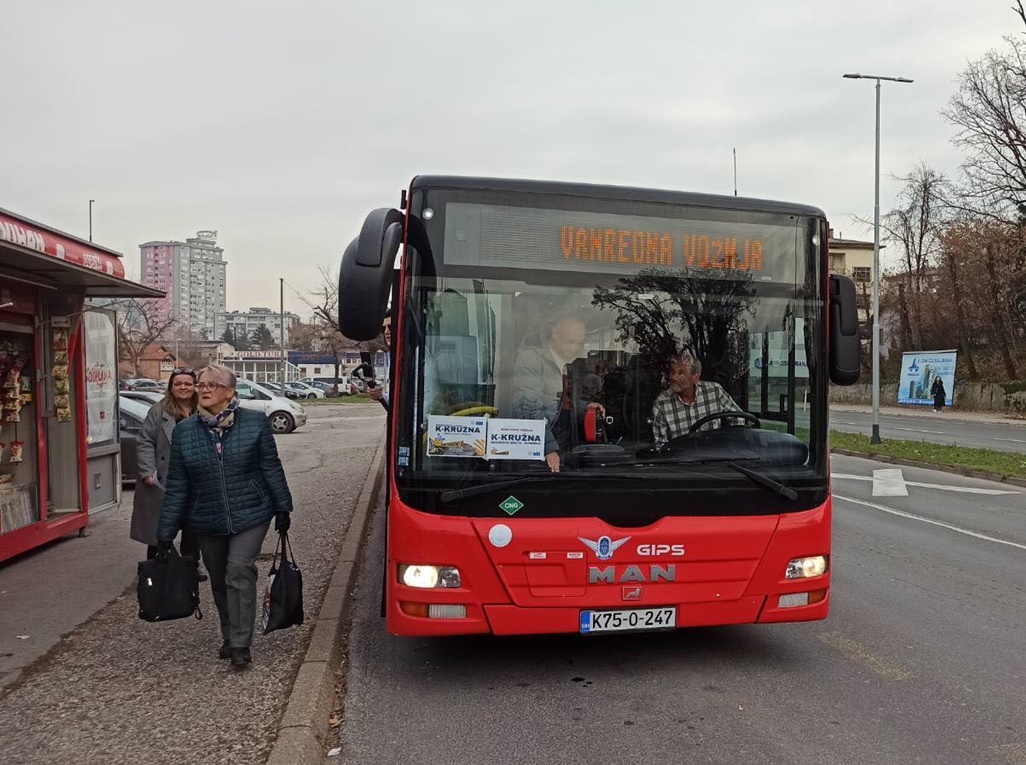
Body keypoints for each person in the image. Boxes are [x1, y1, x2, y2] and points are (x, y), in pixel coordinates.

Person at [156, 364, 293, 669]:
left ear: (230, 392)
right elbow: (178, 485)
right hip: (207, 516)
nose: (203, 390)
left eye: (211, 385)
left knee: (239, 569)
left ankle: (241, 643)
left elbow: (271, 466)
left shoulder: (255, 423)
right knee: (219, 579)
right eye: (200, 385)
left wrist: (282, 507)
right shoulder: (185, 432)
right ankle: (229, 634)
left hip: (252, 513)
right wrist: (165, 532)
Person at [130, 367, 206, 580]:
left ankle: (191, 565)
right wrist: (147, 472)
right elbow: (145, 441)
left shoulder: (203, 410)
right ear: (171, 387)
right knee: (160, 527)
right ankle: (156, 568)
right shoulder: (158, 411)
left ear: (194, 387)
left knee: (193, 527)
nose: (183, 387)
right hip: (164, 478)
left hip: (195, 479)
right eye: (178, 383)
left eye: (188, 384)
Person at [512, 309, 604, 472]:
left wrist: (586, 407)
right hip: (539, 450)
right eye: (571, 342)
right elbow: (528, 409)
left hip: (566, 444)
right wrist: (548, 448)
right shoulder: (531, 360)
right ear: (555, 332)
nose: (576, 348)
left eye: (579, 343)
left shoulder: (571, 363)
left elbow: (562, 403)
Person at [651, 353, 743, 449]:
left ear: (695, 376)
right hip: (681, 460)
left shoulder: (714, 391)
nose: (674, 377)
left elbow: (738, 419)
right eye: (672, 372)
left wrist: (730, 445)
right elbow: (660, 445)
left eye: (681, 373)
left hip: (715, 457)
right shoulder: (661, 403)